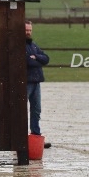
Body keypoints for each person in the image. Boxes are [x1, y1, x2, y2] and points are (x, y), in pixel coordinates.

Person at [26, 20, 51, 148]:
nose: (28, 32)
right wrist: (37, 59)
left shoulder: (33, 46)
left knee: (36, 110)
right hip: (25, 82)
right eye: (26, 30)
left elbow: (46, 59)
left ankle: (35, 136)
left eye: (30, 30)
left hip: (36, 82)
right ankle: (21, 137)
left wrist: (35, 56)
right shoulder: (20, 46)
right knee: (21, 110)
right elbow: (29, 63)